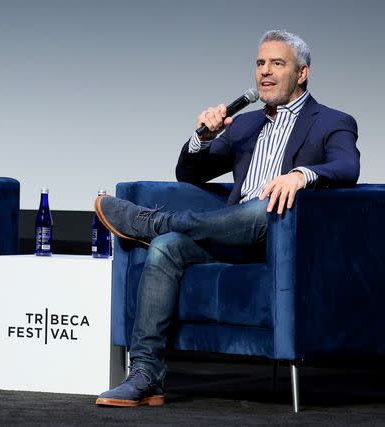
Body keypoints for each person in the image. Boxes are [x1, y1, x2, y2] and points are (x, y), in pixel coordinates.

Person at [94, 30, 360, 407]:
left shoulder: (332, 121)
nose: (265, 72)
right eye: (260, 63)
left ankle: (153, 221)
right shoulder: (247, 124)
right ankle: (146, 376)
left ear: (302, 73)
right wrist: (202, 137)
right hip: (231, 233)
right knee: (166, 249)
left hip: (280, 237)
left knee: (264, 204)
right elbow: (189, 173)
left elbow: (347, 166)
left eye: (277, 63)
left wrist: (301, 176)